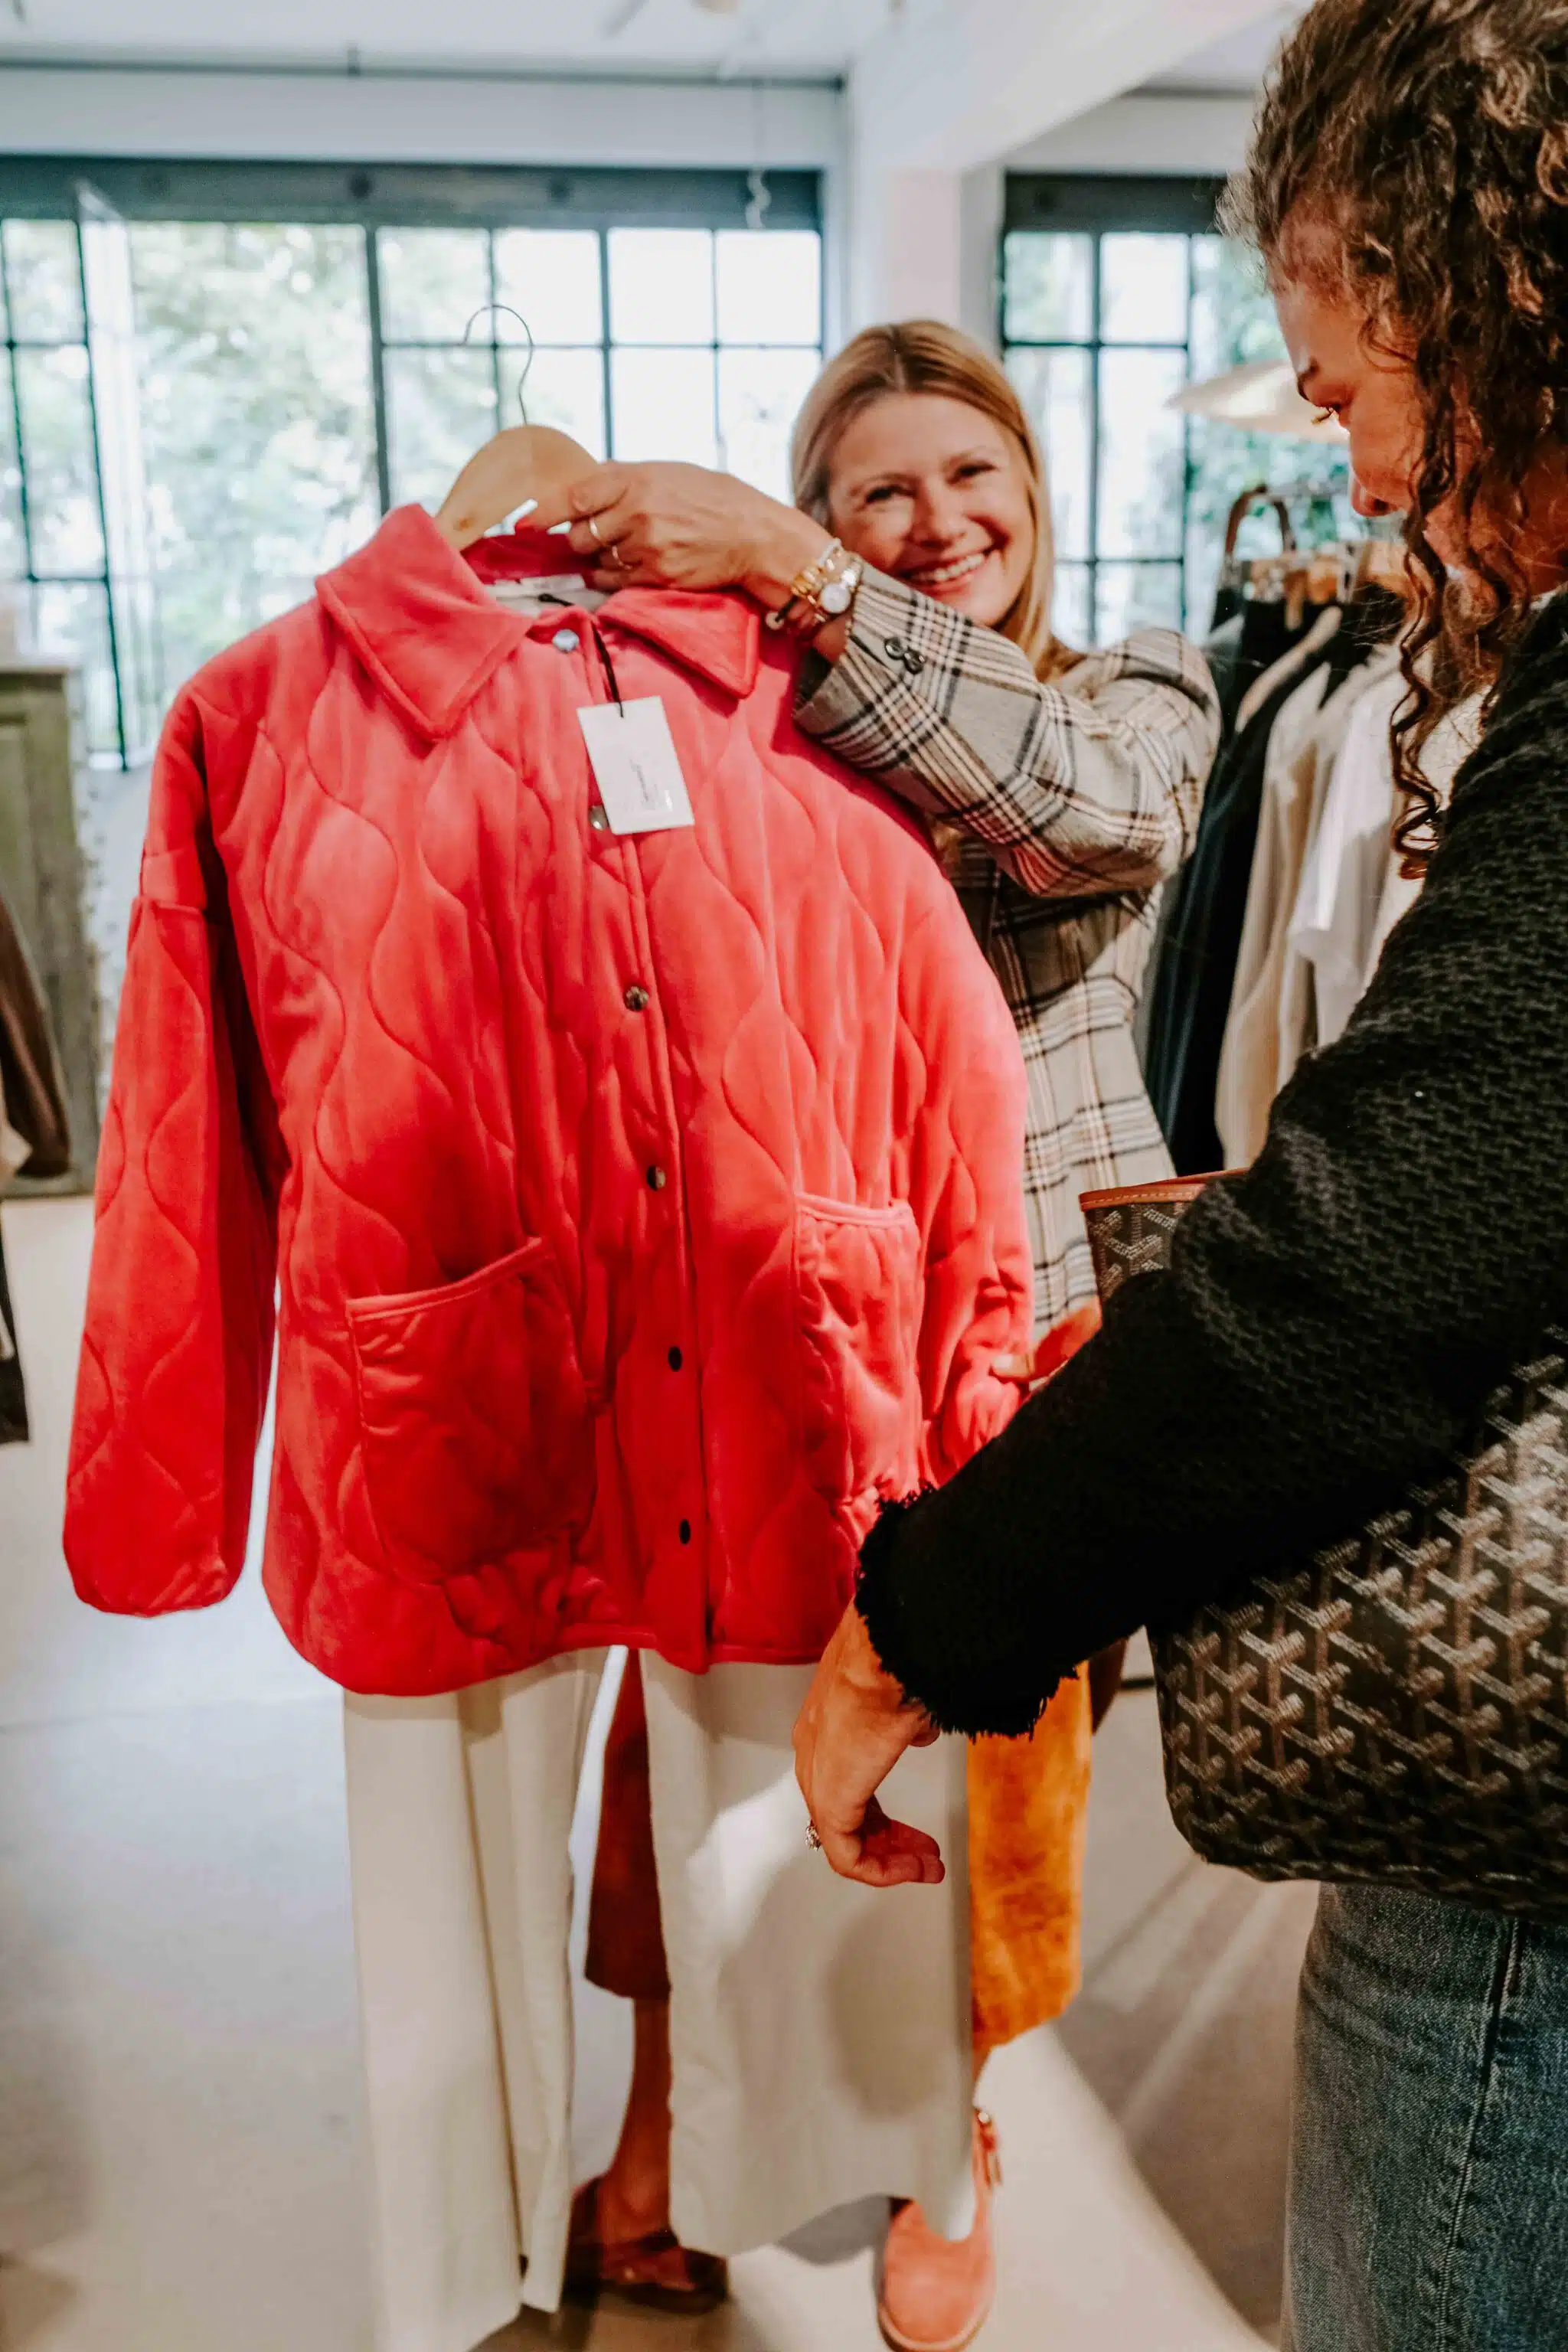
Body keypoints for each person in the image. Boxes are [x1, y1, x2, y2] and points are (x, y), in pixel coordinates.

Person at [791, 6, 1568, 2349]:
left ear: (1467, 291)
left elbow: (1370, 1250)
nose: (1344, 466)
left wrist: (929, 1607)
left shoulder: (1135, 698)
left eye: (1341, 379)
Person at [541, 322, 1220, 2349]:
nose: (938, 523)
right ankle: (669, 2117)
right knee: (706, 1732)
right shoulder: (777, 724)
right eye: (878, 493)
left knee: (994, 1769)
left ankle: (958, 2138)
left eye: (970, 474)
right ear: (823, 510)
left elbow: (1081, 824)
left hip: (1037, 1339)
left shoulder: (1140, 687)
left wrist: (800, 576)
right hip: (788, 1314)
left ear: (1032, 486)